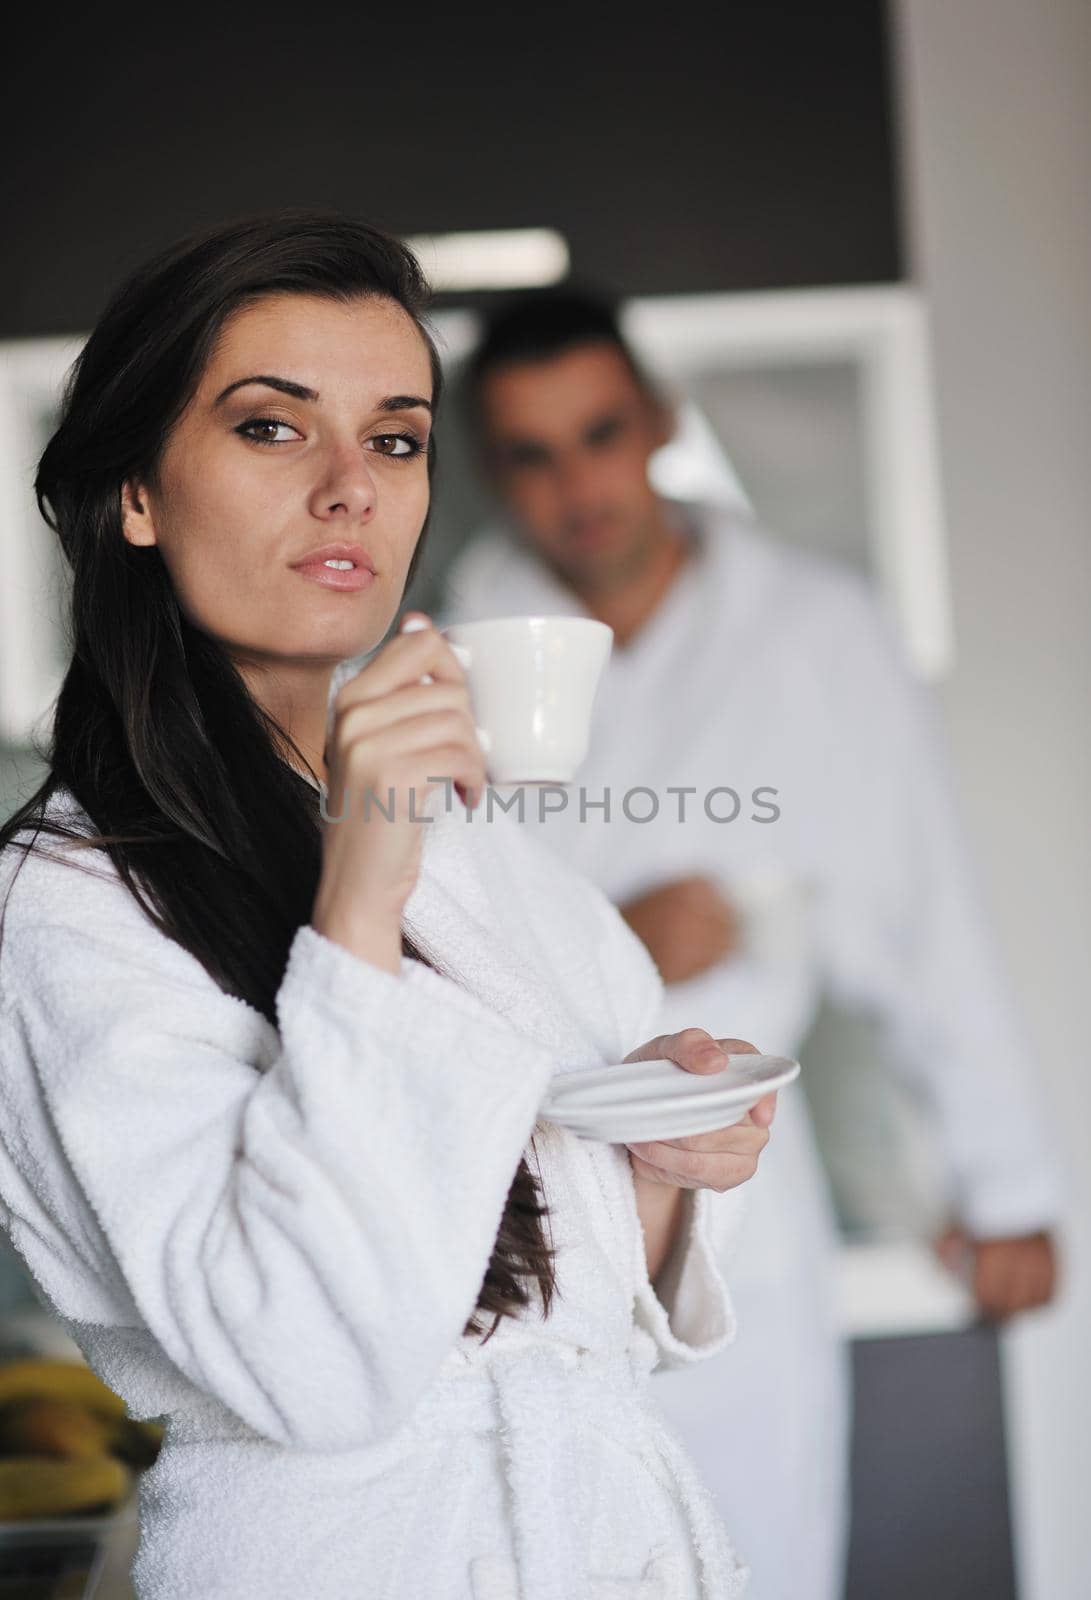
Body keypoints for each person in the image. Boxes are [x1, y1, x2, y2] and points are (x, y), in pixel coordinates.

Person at [0, 217, 783, 1600]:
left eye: (399, 438)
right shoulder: (68, 899)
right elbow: (312, 1363)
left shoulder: (476, 847)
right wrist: (358, 898)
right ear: (134, 492)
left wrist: (673, 1147)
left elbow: (590, 1297)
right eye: (271, 429)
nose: (352, 487)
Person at [441, 287, 1061, 1600]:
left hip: (734, 1188)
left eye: (601, 433)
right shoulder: (451, 647)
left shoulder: (816, 633)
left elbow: (922, 912)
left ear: (660, 422)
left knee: (752, 1561)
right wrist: (627, 939)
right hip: (506, 1187)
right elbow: (423, 938)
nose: (577, 486)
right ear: (493, 472)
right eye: (533, 454)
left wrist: (1004, 1187)